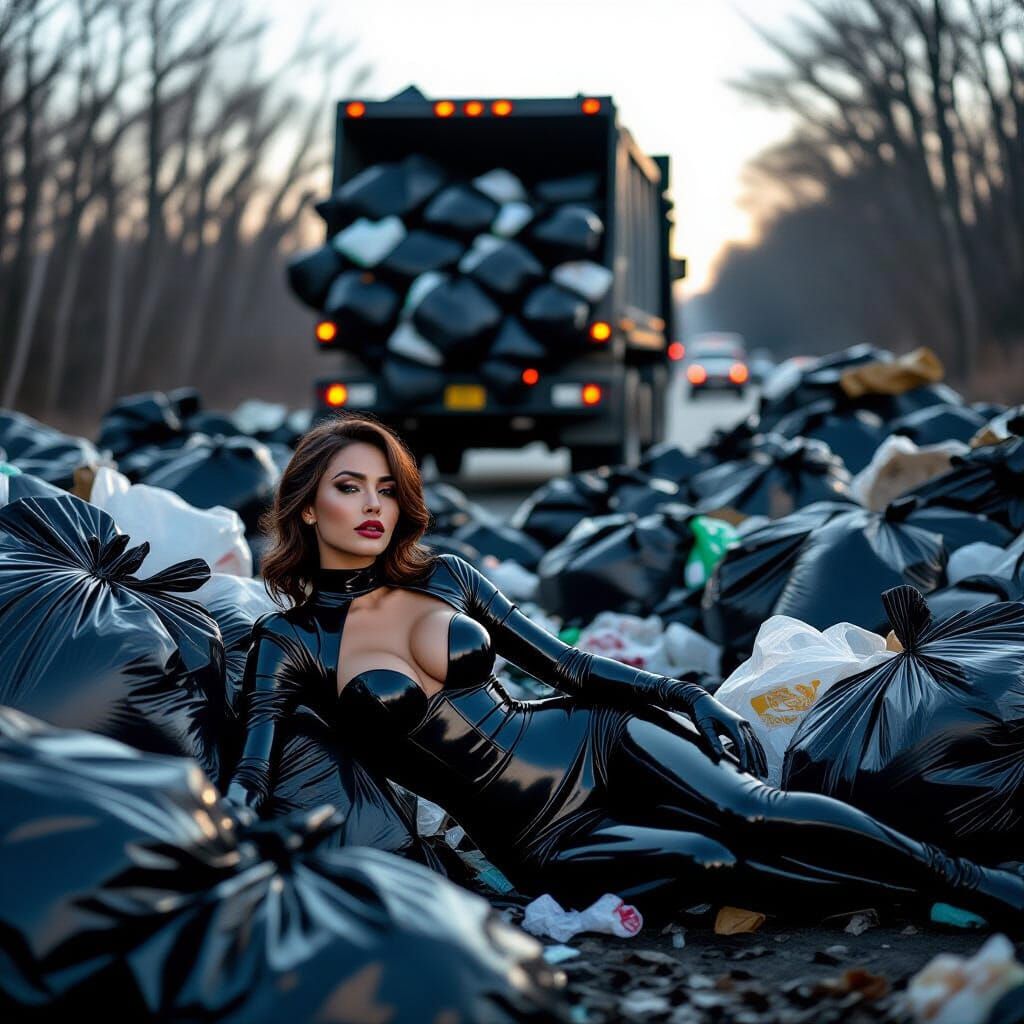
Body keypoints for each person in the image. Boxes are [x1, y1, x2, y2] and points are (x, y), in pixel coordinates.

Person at [227, 414, 1024, 926]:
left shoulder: (447, 576)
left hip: (591, 737)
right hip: (537, 834)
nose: (374, 506)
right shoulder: (289, 642)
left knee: (755, 811)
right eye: (349, 488)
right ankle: (897, 891)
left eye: (386, 489)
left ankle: (972, 886)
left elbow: (568, 667)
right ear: (306, 506)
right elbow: (254, 775)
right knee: (706, 861)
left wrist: (681, 693)